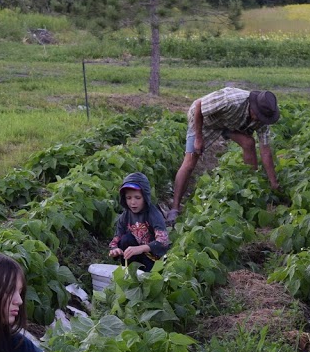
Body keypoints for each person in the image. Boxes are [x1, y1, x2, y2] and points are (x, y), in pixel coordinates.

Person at [167, 87, 281, 222]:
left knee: (248, 143)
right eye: (259, 116)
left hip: (229, 124)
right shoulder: (231, 101)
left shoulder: (263, 120)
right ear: (253, 108)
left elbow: (265, 151)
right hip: (203, 120)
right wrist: (198, 138)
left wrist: (274, 182)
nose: (260, 120)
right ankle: (174, 208)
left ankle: (250, 185)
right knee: (190, 162)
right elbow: (198, 105)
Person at [108, 172, 170, 271]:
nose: (133, 202)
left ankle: (145, 275)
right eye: (129, 198)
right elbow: (116, 239)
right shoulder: (125, 215)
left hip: (153, 260)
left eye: (137, 198)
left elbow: (163, 241)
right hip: (132, 256)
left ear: (145, 197)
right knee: (125, 239)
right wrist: (114, 250)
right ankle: (128, 272)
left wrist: (141, 248)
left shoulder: (153, 214)